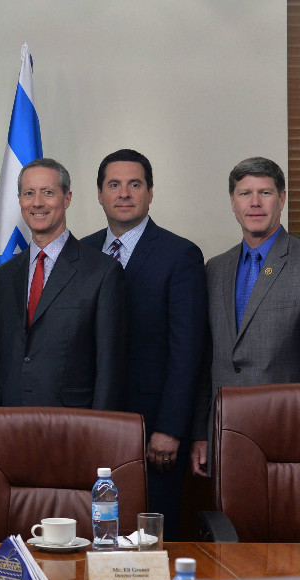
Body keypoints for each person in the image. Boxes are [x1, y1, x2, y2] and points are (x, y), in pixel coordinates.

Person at [81, 149, 207, 540]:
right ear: (99, 194)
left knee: (149, 540)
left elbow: (188, 350)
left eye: (134, 184)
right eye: (113, 185)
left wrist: (169, 427)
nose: (124, 193)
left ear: (150, 193)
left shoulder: (180, 255)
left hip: (154, 430)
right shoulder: (80, 253)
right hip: (91, 422)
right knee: (92, 535)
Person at [191, 157, 300, 477]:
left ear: (282, 199)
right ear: (232, 202)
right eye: (244, 193)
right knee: (228, 524)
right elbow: (204, 357)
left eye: (265, 193)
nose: (254, 203)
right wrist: (200, 432)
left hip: (286, 432)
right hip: (223, 431)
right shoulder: (215, 268)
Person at [0, 157, 125, 410]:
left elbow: (109, 369)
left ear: (67, 198)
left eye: (48, 193)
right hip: (8, 426)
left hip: (73, 428)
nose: (37, 202)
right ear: (20, 201)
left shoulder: (102, 272)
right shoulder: (3, 277)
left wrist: (100, 433)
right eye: (29, 193)